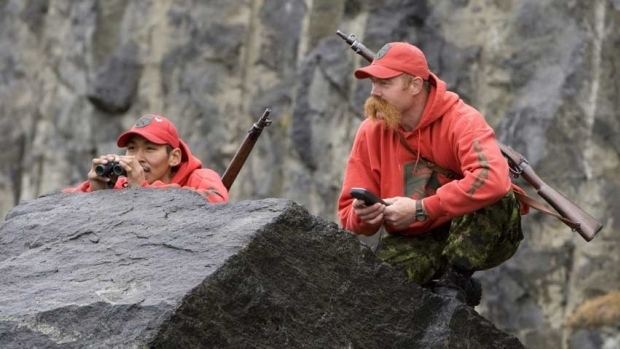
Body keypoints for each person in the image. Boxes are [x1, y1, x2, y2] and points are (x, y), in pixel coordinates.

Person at [338, 42, 527, 306]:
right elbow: (348, 214)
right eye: (373, 83)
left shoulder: (462, 119)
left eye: (384, 84)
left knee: (496, 195)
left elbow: (492, 179)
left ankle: (456, 280)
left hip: (482, 232)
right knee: (376, 289)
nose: (374, 92)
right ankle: (445, 280)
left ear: (415, 85)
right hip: (418, 236)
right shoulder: (370, 132)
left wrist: (420, 209)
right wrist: (365, 215)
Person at [66, 114, 228, 203]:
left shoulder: (200, 178)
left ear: (174, 157)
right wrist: (94, 192)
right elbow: (63, 203)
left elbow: (217, 203)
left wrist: (144, 190)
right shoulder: (122, 183)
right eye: (131, 148)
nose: (137, 158)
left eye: (150, 149)